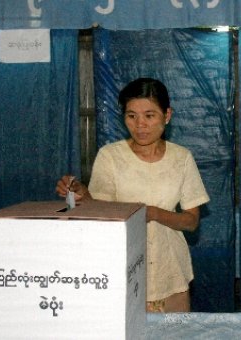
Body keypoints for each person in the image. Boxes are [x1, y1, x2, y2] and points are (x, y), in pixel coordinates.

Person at [56, 77, 210, 312]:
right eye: (131, 116)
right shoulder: (110, 156)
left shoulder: (182, 158)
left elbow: (191, 221)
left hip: (170, 273)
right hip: (123, 269)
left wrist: (154, 213)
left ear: (167, 115)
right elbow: (101, 213)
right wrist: (83, 196)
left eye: (149, 116)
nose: (140, 125)